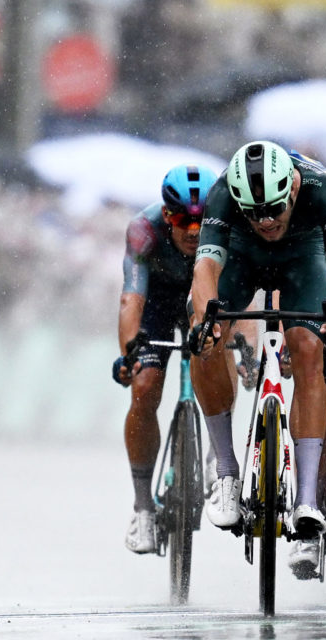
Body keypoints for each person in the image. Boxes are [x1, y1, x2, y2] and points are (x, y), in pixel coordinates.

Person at [188, 141, 326, 580]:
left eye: (275, 210)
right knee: (204, 337)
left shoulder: (323, 188)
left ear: (293, 189)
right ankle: (226, 472)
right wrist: (207, 323)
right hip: (242, 258)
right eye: (254, 213)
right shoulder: (223, 191)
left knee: (309, 346)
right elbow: (205, 271)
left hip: (303, 257)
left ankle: (307, 501)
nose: (265, 221)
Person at [113, 164, 214, 554]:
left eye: (201, 221)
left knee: (215, 352)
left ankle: (219, 460)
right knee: (145, 385)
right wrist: (129, 354)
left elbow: (239, 293)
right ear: (166, 215)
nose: (193, 230)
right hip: (155, 300)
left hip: (201, 297)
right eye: (182, 220)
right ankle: (143, 509)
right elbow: (131, 299)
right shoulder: (144, 229)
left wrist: (242, 346)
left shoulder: (225, 228)